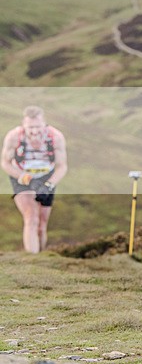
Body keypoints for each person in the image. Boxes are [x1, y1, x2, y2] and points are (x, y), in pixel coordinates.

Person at [1, 106, 67, 253]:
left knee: (42, 223)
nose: (34, 131)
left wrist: (49, 185)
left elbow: (62, 167)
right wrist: (24, 177)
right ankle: (32, 257)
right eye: (30, 127)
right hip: (21, 175)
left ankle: (41, 258)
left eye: (37, 126)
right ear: (23, 125)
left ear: (44, 124)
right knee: (31, 216)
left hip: (47, 177)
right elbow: (5, 163)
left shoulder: (55, 137)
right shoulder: (14, 137)